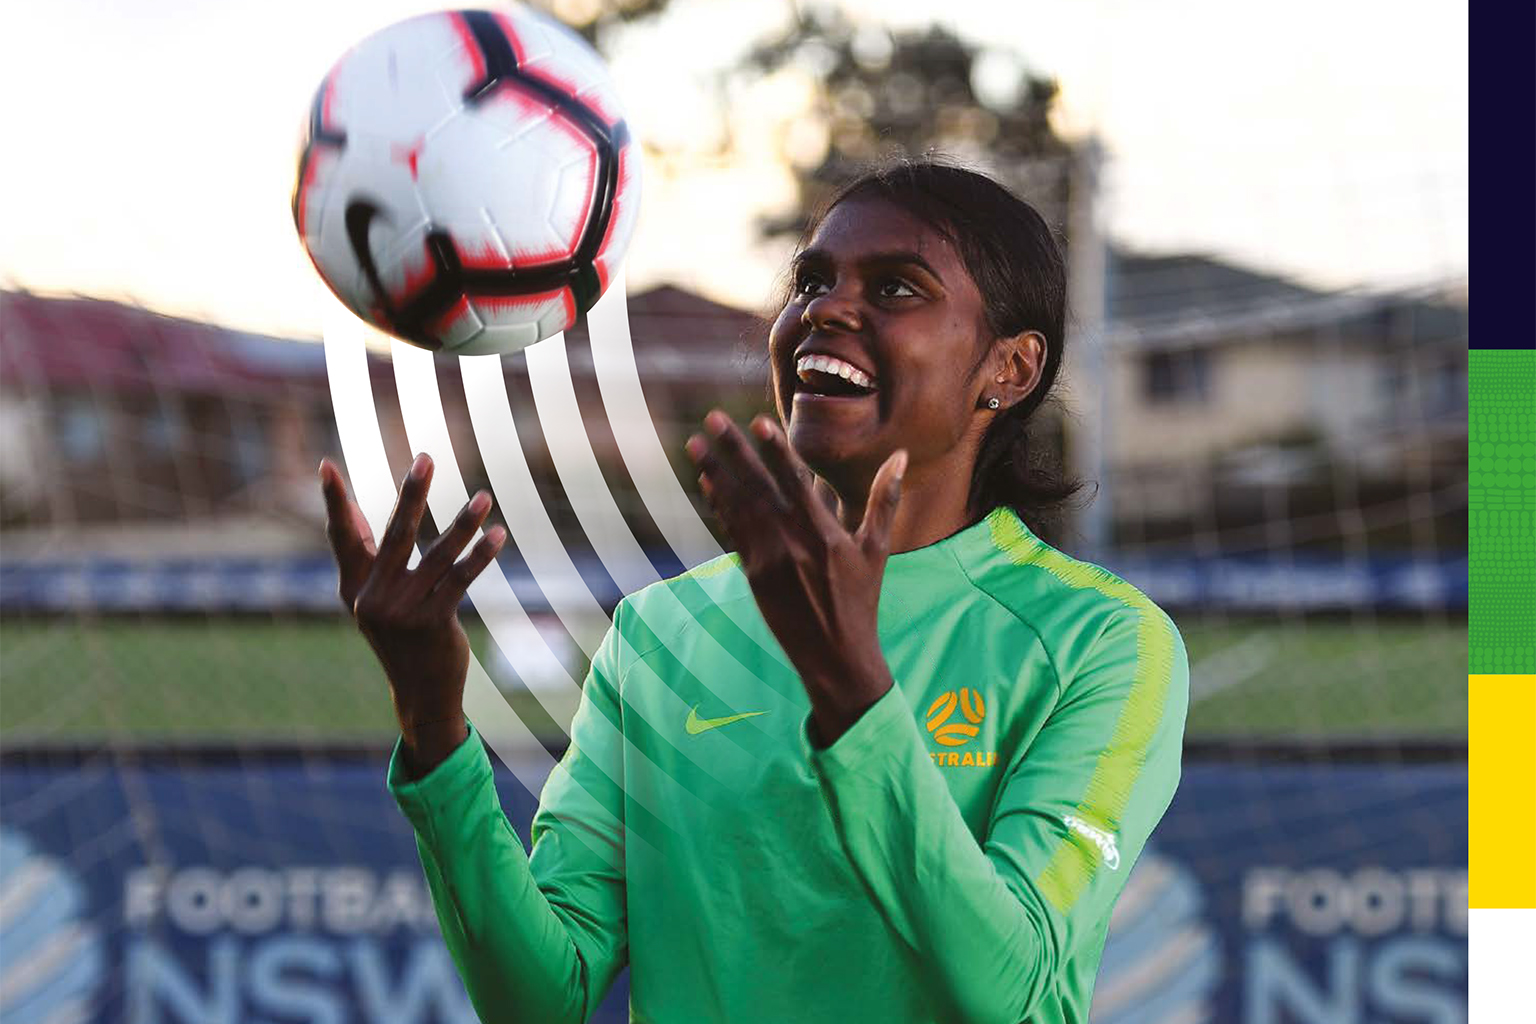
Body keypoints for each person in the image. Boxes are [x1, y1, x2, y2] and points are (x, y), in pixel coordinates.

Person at [318, 158, 1189, 1024]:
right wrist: (434, 726)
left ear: (1011, 368)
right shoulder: (664, 630)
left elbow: (1012, 990)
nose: (826, 309)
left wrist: (852, 690)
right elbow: (542, 994)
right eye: (811, 280)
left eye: (895, 288)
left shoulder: (1101, 642)